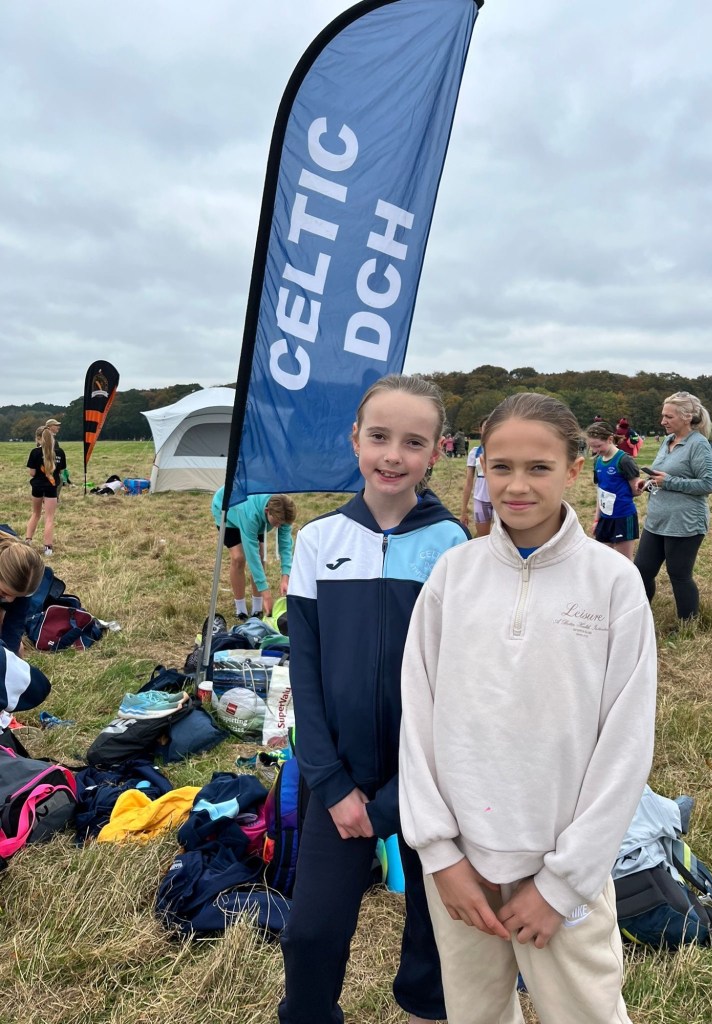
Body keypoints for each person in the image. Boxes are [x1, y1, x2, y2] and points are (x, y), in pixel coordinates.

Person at [399, 392, 657, 1024]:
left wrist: (562, 884)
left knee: (588, 1012)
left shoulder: (613, 583)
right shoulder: (452, 575)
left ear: (573, 469)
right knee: (475, 1012)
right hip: (463, 869)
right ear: (481, 467)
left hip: (563, 869)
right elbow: (418, 719)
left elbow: (625, 745)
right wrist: (442, 857)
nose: (517, 486)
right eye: (501, 466)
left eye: (538, 467)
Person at [280, 374, 470, 1024]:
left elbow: (457, 686)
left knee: (438, 926)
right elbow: (305, 672)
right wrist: (332, 784)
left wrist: (398, 796)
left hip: (429, 782)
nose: (393, 455)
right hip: (338, 780)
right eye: (380, 437)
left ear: (436, 451)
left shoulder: (453, 547)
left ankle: (426, 1009)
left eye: (412, 442)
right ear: (355, 439)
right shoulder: (318, 541)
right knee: (311, 933)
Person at [634, 391, 712, 623]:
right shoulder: (668, 441)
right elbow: (663, 475)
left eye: (669, 416)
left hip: (684, 523)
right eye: (663, 415)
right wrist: (649, 483)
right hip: (657, 520)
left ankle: (687, 625)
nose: (663, 421)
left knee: (679, 575)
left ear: (687, 417)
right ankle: (638, 618)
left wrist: (669, 481)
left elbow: (709, 484)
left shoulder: (698, 444)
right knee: (641, 570)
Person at [210, 490, 296, 619]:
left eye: (282, 524)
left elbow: (285, 545)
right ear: (267, 511)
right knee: (239, 558)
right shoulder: (251, 514)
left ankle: (257, 608)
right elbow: (252, 554)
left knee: (261, 557)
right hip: (227, 510)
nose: (279, 526)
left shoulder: (283, 514)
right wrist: (265, 592)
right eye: (276, 523)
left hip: (255, 517)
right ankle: (240, 608)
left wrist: (285, 577)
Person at [585, 421, 643, 559]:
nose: (596, 450)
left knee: (623, 562)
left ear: (610, 439)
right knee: (604, 560)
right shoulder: (598, 461)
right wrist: (597, 520)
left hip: (623, 517)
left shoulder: (624, 460)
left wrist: (639, 487)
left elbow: (636, 491)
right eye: (592, 447)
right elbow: (600, 492)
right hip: (605, 518)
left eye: (598, 446)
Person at [0, 529, 45, 657]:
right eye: (5, 593)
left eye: (18, 596)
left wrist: (9, 658)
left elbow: (14, 626)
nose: (10, 600)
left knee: (16, 650)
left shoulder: (24, 578)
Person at [25, 426, 65, 556]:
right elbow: (61, 471)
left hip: (37, 486)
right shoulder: (60, 453)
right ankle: (48, 548)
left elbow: (32, 473)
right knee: (49, 517)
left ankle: (28, 541)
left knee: (35, 514)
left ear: (38, 438)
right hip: (51, 488)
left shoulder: (34, 452)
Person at [460, 420, 492, 537]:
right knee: (483, 537)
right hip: (481, 499)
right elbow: (468, 482)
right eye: (486, 426)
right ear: (480, 430)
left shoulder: (505, 451)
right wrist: (464, 511)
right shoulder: (475, 452)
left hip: (501, 499)